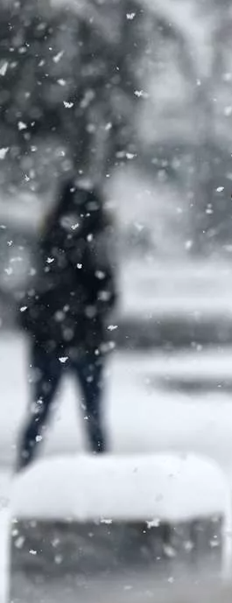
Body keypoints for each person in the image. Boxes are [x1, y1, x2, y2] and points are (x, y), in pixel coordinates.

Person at [16, 179, 118, 470]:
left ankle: (23, 473)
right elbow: (108, 296)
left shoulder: (50, 240)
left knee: (41, 413)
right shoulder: (95, 244)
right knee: (92, 417)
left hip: (53, 340)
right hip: (81, 341)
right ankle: (103, 475)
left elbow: (35, 292)